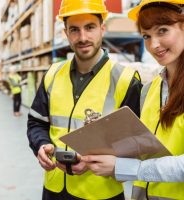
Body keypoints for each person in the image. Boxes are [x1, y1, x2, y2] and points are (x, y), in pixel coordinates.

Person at [27, 0, 142, 199]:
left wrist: (92, 162)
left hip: (100, 192)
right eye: (74, 30)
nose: (82, 37)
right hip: (54, 188)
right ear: (66, 33)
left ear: (102, 29)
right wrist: (41, 145)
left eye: (90, 28)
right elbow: (36, 123)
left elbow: (138, 144)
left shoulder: (126, 79)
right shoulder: (52, 75)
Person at [82, 0, 184, 199]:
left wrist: (130, 168)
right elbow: (146, 149)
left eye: (162, 30)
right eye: (146, 36)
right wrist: (98, 151)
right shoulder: (149, 90)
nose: (154, 45)